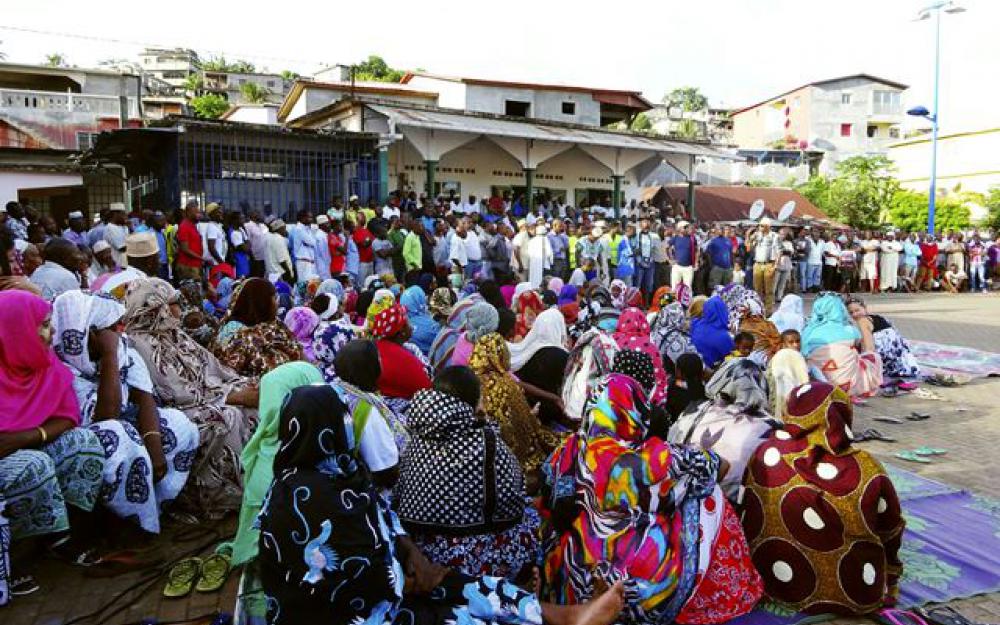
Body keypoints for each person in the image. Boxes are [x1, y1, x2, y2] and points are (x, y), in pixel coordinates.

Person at [257, 382, 626, 625]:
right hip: (345, 613)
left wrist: (412, 554)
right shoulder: (310, 499)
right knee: (462, 614)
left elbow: (385, 515)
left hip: (389, 580)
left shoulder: (338, 473)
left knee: (477, 586)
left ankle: (570, 616)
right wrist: (413, 578)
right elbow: (354, 584)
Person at [541, 367, 762, 625]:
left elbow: (547, 503)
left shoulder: (564, 451)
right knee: (706, 490)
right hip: (638, 589)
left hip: (565, 581)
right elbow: (721, 467)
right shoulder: (655, 459)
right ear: (635, 412)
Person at [742, 382, 904, 615]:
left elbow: (747, 510)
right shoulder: (865, 470)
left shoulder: (765, 453)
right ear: (840, 414)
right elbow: (890, 528)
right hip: (853, 592)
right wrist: (892, 574)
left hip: (772, 581)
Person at [52, 290, 198, 534]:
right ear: (88, 331)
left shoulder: (123, 349)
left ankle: (156, 506)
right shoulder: (63, 369)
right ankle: (133, 525)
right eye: (111, 327)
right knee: (117, 434)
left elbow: (144, 396)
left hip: (126, 426)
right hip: (92, 438)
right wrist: (109, 355)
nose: (119, 331)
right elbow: (105, 417)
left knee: (178, 423)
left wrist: (154, 444)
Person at [123, 278, 257, 518]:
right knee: (225, 417)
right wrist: (232, 396)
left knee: (255, 401)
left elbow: (214, 369)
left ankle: (256, 481)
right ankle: (216, 497)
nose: (179, 308)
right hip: (172, 412)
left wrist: (241, 386)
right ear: (157, 307)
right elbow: (177, 394)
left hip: (206, 397)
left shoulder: (175, 334)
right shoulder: (139, 345)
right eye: (173, 303)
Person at [396, 366, 541, 582]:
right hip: (466, 555)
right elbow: (512, 498)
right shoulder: (484, 441)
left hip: (421, 550)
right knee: (531, 520)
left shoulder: (416, 433)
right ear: (471, 400)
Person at [0, 290, 105, 586]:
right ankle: (13, 556)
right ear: (14, 329)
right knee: (32, 466)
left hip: (26, 444)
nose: (52, 332)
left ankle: (59, 537)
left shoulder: (43, 364)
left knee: (84, 444)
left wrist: (30, 435)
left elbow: (67, 415)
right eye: (44, 325)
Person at [669, 357, 777, 501]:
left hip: (682, 497)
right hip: (735, 506)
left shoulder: (695, 411)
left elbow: (671, 445)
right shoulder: (771, 428)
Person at [470, 333, 562, 474]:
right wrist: (532, 415)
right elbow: (523, 422)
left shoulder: (468, 380)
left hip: (475, 451)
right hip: (508, 454)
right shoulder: (506, 384)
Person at [214, 278, 305, 379]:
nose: (277, 303)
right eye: (274, 298)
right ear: (262, 302)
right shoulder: (235, 331)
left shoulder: (271, 326)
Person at [801, 293, 882, 398]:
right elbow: (863, 346)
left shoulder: (808, 331)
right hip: (848, 385)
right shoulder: (850, 330)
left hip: (819, 384)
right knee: (873, 357)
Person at [846, 297, 920, 381]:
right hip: (906, 364)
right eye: (851, 312)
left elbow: (869, 349)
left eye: (857, 310)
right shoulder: (879, 317)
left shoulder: (862, 321)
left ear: (864, 308)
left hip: (890, 367)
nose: (854, 314)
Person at [612, 307, 669, 404]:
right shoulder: (650, 346)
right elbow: (659, 378)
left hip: (616, 397)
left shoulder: (612, 342)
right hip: (646, 401)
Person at [690, 296, 734, 369]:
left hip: (701, 369)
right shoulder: (723, 336)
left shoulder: (696, 326)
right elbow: (732, 355)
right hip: (717, 372)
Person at [766, 347, 809, 418]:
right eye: (791, 342)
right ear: (783, 344)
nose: (795, 345)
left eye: (798, 341)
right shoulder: (777, 360)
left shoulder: (804, 361)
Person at [749, 218, 781, 310]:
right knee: (757, 288)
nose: (760, 227)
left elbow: (779, 251)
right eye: (759, 225)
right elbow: (749, 248)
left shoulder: (775, 236)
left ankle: (768, 311)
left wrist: (775, 265)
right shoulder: (757, 235)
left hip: (769, 264)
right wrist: (749, 237)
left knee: (768, 290)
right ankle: (757, 309)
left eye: (762, 226)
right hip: (757, 264)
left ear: (768, 226)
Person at [669, 220, 697, 289]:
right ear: (680, 229)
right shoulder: (675, 238)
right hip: (677, 266)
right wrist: (670, 259)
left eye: (688, 227)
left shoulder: (692, 238)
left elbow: (697, 250)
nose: (687, 229)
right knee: (674, 288)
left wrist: (696, 262)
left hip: (688, 267)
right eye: (685, 227)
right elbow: (666, 247)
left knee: (687, 289)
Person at [103, 203, 130, 269]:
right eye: (123, 214)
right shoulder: (110, 228)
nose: (125, 216)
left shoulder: (124, 227)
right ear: (115, 214)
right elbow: (122, 248)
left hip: (124, 265)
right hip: (116, 266)